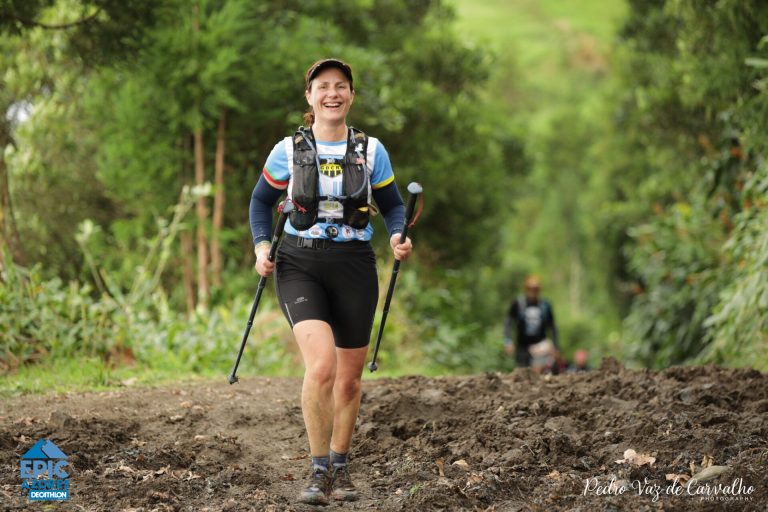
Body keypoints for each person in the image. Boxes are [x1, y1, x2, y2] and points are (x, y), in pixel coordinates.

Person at [248, 58, 412, 505]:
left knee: (349, 381)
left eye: (341, 86)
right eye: (323, 86)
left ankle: (341, 466)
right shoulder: (287, 150)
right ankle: (318, 469)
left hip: (355, 264)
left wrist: (398, 234)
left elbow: (394, 204)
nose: (332, 93)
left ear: (352, 95)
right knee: (321, 367)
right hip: (300, 262)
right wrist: (263, 247)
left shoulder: (372, 151)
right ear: (310, 96)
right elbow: (261, 203)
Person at [503, 275, 560, 368]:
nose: (533, 291)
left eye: (536, 289)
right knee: (523, 372)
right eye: (530, 288)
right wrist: (508, 341)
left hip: (540, 344)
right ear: (526, 289)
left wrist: (555, 345)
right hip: (522, 346)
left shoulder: (545, 305)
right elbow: (508, 323)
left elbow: (552, 326)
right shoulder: (518, 303)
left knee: (538, 369)